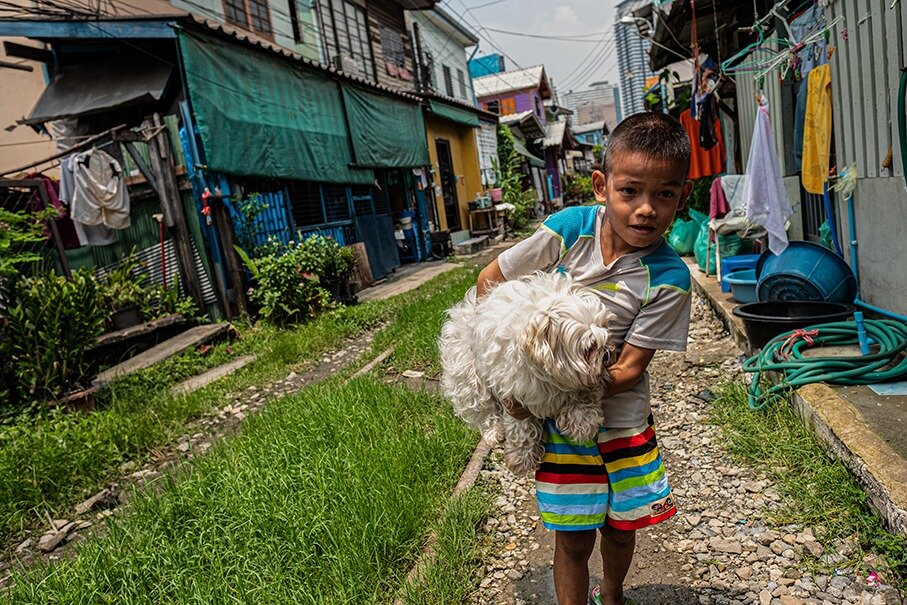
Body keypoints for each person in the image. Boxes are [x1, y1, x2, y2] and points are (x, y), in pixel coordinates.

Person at [476, 112, 694, 605]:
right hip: (561, 429)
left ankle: (612, 592)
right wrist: (506, 378)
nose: (645, 210)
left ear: (682, 199)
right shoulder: (568, 230)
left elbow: (628, 370)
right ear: (601, 186)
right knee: (572, 536)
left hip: (621, 421)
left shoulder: (668, 278)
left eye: (664, 195)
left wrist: (538, 400)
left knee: (621, 527)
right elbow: (490, 282)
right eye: (630, 191)